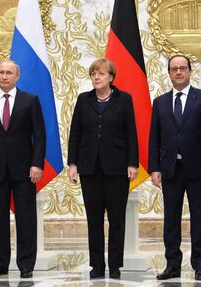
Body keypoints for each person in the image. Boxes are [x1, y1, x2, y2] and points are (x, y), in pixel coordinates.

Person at [148, 55, 201, 281]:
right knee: (171, 219)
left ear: (190, 72)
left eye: (182, 68)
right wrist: (154, 168)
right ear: (169, 74)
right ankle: (172, 265)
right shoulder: (159, 102)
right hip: (170, 168)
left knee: (199, 217)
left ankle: (199, 265)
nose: (178, 72)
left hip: (198, 168)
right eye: (174, 69)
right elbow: (154, 138)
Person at [67, 58, 139, 279]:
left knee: (117, 218)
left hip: (117, 167)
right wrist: (72, 163)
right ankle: (97, 265)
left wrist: (132, 163)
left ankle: (115, 264)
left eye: (101, 74)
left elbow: (131, 133)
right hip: (89, 167)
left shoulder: (124, 99)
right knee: (94, 218)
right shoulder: (83, 99)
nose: (96, 78)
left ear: (111, 77)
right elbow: (75, 133)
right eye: (93, 74)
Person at [0, 60, 46, 279]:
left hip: (25, 169)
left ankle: (26, 264)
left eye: (9, 73)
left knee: (25, 218)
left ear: (17, 76)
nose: (4, 76)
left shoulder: (30, 101)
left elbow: (40, 135)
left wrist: (37, 164)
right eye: (1, 72)